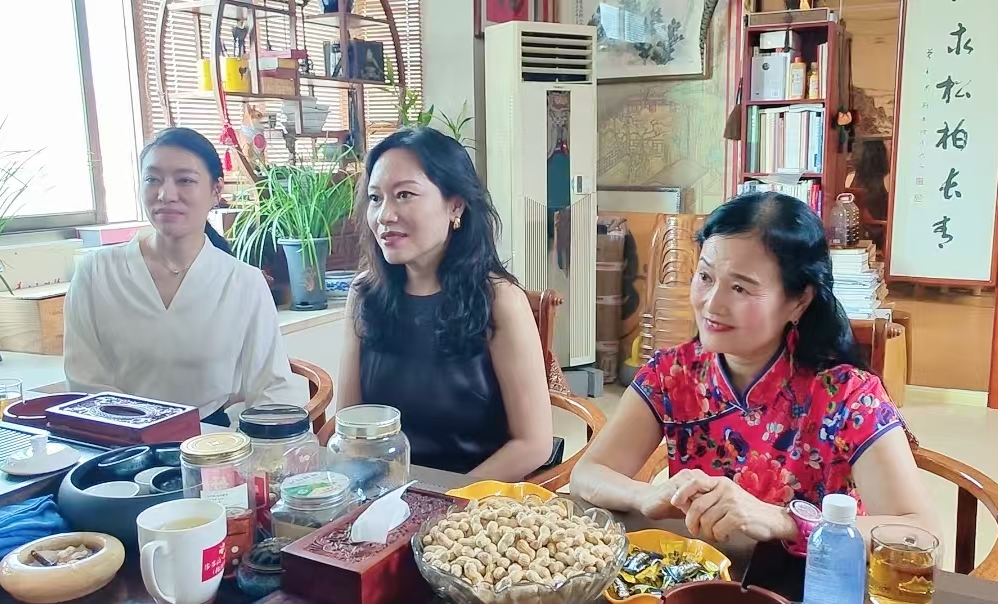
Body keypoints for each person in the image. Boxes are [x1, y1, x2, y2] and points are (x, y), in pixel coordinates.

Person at [570, 192, 938, 551]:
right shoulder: (672, 374)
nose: (712, 303)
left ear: (799, 301)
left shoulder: (848, 395)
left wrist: (783, 520)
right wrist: (645, 495)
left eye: (740, 288)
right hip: (705, 576)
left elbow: (923, 534)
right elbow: (588, 474)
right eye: (705, 276)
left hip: (813, 580)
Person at [337, 127, 552, 480]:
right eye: (375, 198)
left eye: (404, 195)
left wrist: (445, 500)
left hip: (471, 498)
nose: (385, 215)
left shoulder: (499, 300)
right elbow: (350, 424)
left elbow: (533, 444)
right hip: (383, 493)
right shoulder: (364, 294)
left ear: (456, 205)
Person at [64, 127, 300, 426]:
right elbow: (84, 381)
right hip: (118, 437)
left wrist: (267, 447)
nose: (166, 195)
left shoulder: (244, 283)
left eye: (185, 180)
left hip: (210, 441)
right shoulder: (96, 272)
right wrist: (144, 433)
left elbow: (271, 389)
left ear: (216, 190)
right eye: (153, 179)